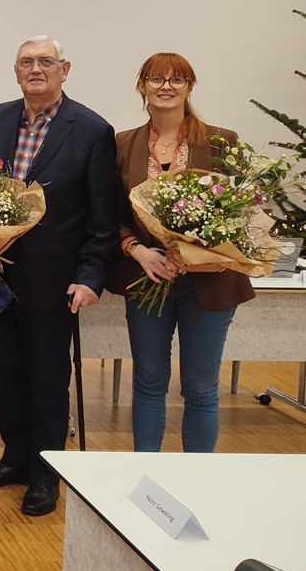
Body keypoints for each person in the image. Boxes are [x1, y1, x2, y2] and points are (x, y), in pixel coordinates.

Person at [0, 35, 117, 516]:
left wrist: (90, 277)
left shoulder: (92, 130)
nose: (36, 69)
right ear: (15, 72)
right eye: (27, 62)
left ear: (64, 69)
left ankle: (47, 473)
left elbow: (101, 216)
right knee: (6, 373)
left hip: (55, 282)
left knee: (48, 381)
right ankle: (14, 458)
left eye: (46, 62)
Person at [108, 53, 253, 453]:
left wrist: (195, 251)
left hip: (210, 282)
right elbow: (113, 213)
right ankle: (146, 471)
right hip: (148, 278)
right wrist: (139, 251)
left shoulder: (223, 141)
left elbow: (241, 211)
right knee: (149, 382)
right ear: (143, 86)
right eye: (156, 78)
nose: (166, 86)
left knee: (201, 387)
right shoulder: (122, 144)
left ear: (190, 87)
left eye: (177, 79)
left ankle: (197, 478)